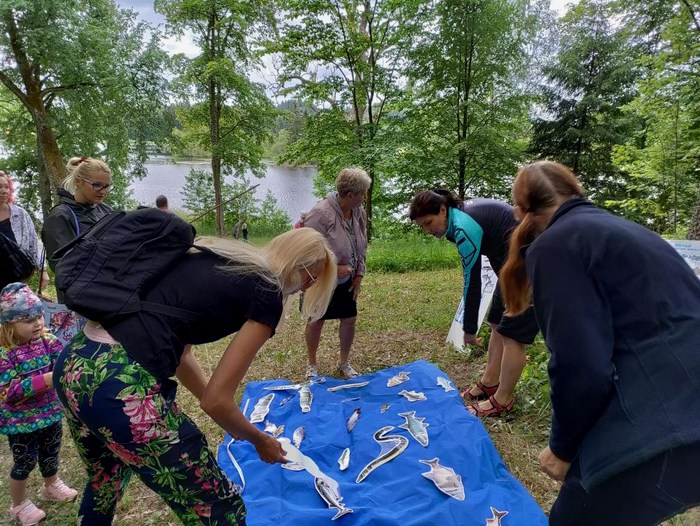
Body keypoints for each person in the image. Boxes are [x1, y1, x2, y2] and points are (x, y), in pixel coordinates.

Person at [53, 228, 336, 525]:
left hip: (76, 364)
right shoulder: (267, 291)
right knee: (219, 508)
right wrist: (258, 439)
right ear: (298, 267)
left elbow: (183, 356)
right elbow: (216, 401)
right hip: (121, 385)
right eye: (310, 279)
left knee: (104, 481)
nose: (305, 288)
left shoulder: (218, 256)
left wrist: (230, 418)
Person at [500, 161, 700, 525]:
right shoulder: (628, 230)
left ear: (519, 210)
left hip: (668, 426)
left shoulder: (556, 244)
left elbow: (581, 363)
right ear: (574, 190)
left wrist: (562, 446)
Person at [409, 190, 539, 417]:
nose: (428, 230)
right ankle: (490, 381)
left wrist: (468, 329)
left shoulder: (463, 226)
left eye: (429, 223)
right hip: (510, 267)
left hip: (530, 266)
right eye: (422, 227)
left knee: (513, 334)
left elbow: (473, 281)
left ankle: (502, 400)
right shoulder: (457, 218)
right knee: (497, 322)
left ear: (442, 210)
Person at [0, 283, 79, 525]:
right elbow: (8, 391)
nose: (36, 323)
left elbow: (63, 367)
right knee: (25, 461)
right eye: (27, 320)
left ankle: (51, 484)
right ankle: (18, 504)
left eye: (38, 316)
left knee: (50, 453)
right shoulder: (5, 354)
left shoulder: (50, 341)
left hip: (51, 413)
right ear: (9, 324)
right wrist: (45, 379)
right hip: (21, 422)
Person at [304, 167, 369, 379]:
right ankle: (312, 364)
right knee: (316, 320)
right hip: (320, 280)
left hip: (346, 280)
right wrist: (333, 268)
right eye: (363, 193)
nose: (365, 197)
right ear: (350, 195)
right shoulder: (320, 213)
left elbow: (361, 245)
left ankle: (344, 362)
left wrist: (359, 274)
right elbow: (308, 252)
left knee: (349, 318)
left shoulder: (358, 211)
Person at [41, 157, 113, 292]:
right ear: (79, 182)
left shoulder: (105, 210)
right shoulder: (61, 216)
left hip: (107, 293)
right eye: (97, 185)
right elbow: (62, 265)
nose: (103, 191)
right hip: (78, 298)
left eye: (107, 186)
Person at [0, 172, 50, 290]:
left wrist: (43, 270)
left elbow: (34, 243)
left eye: (6, 187)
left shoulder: (20, 214)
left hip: (16, 279)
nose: (4, 191)